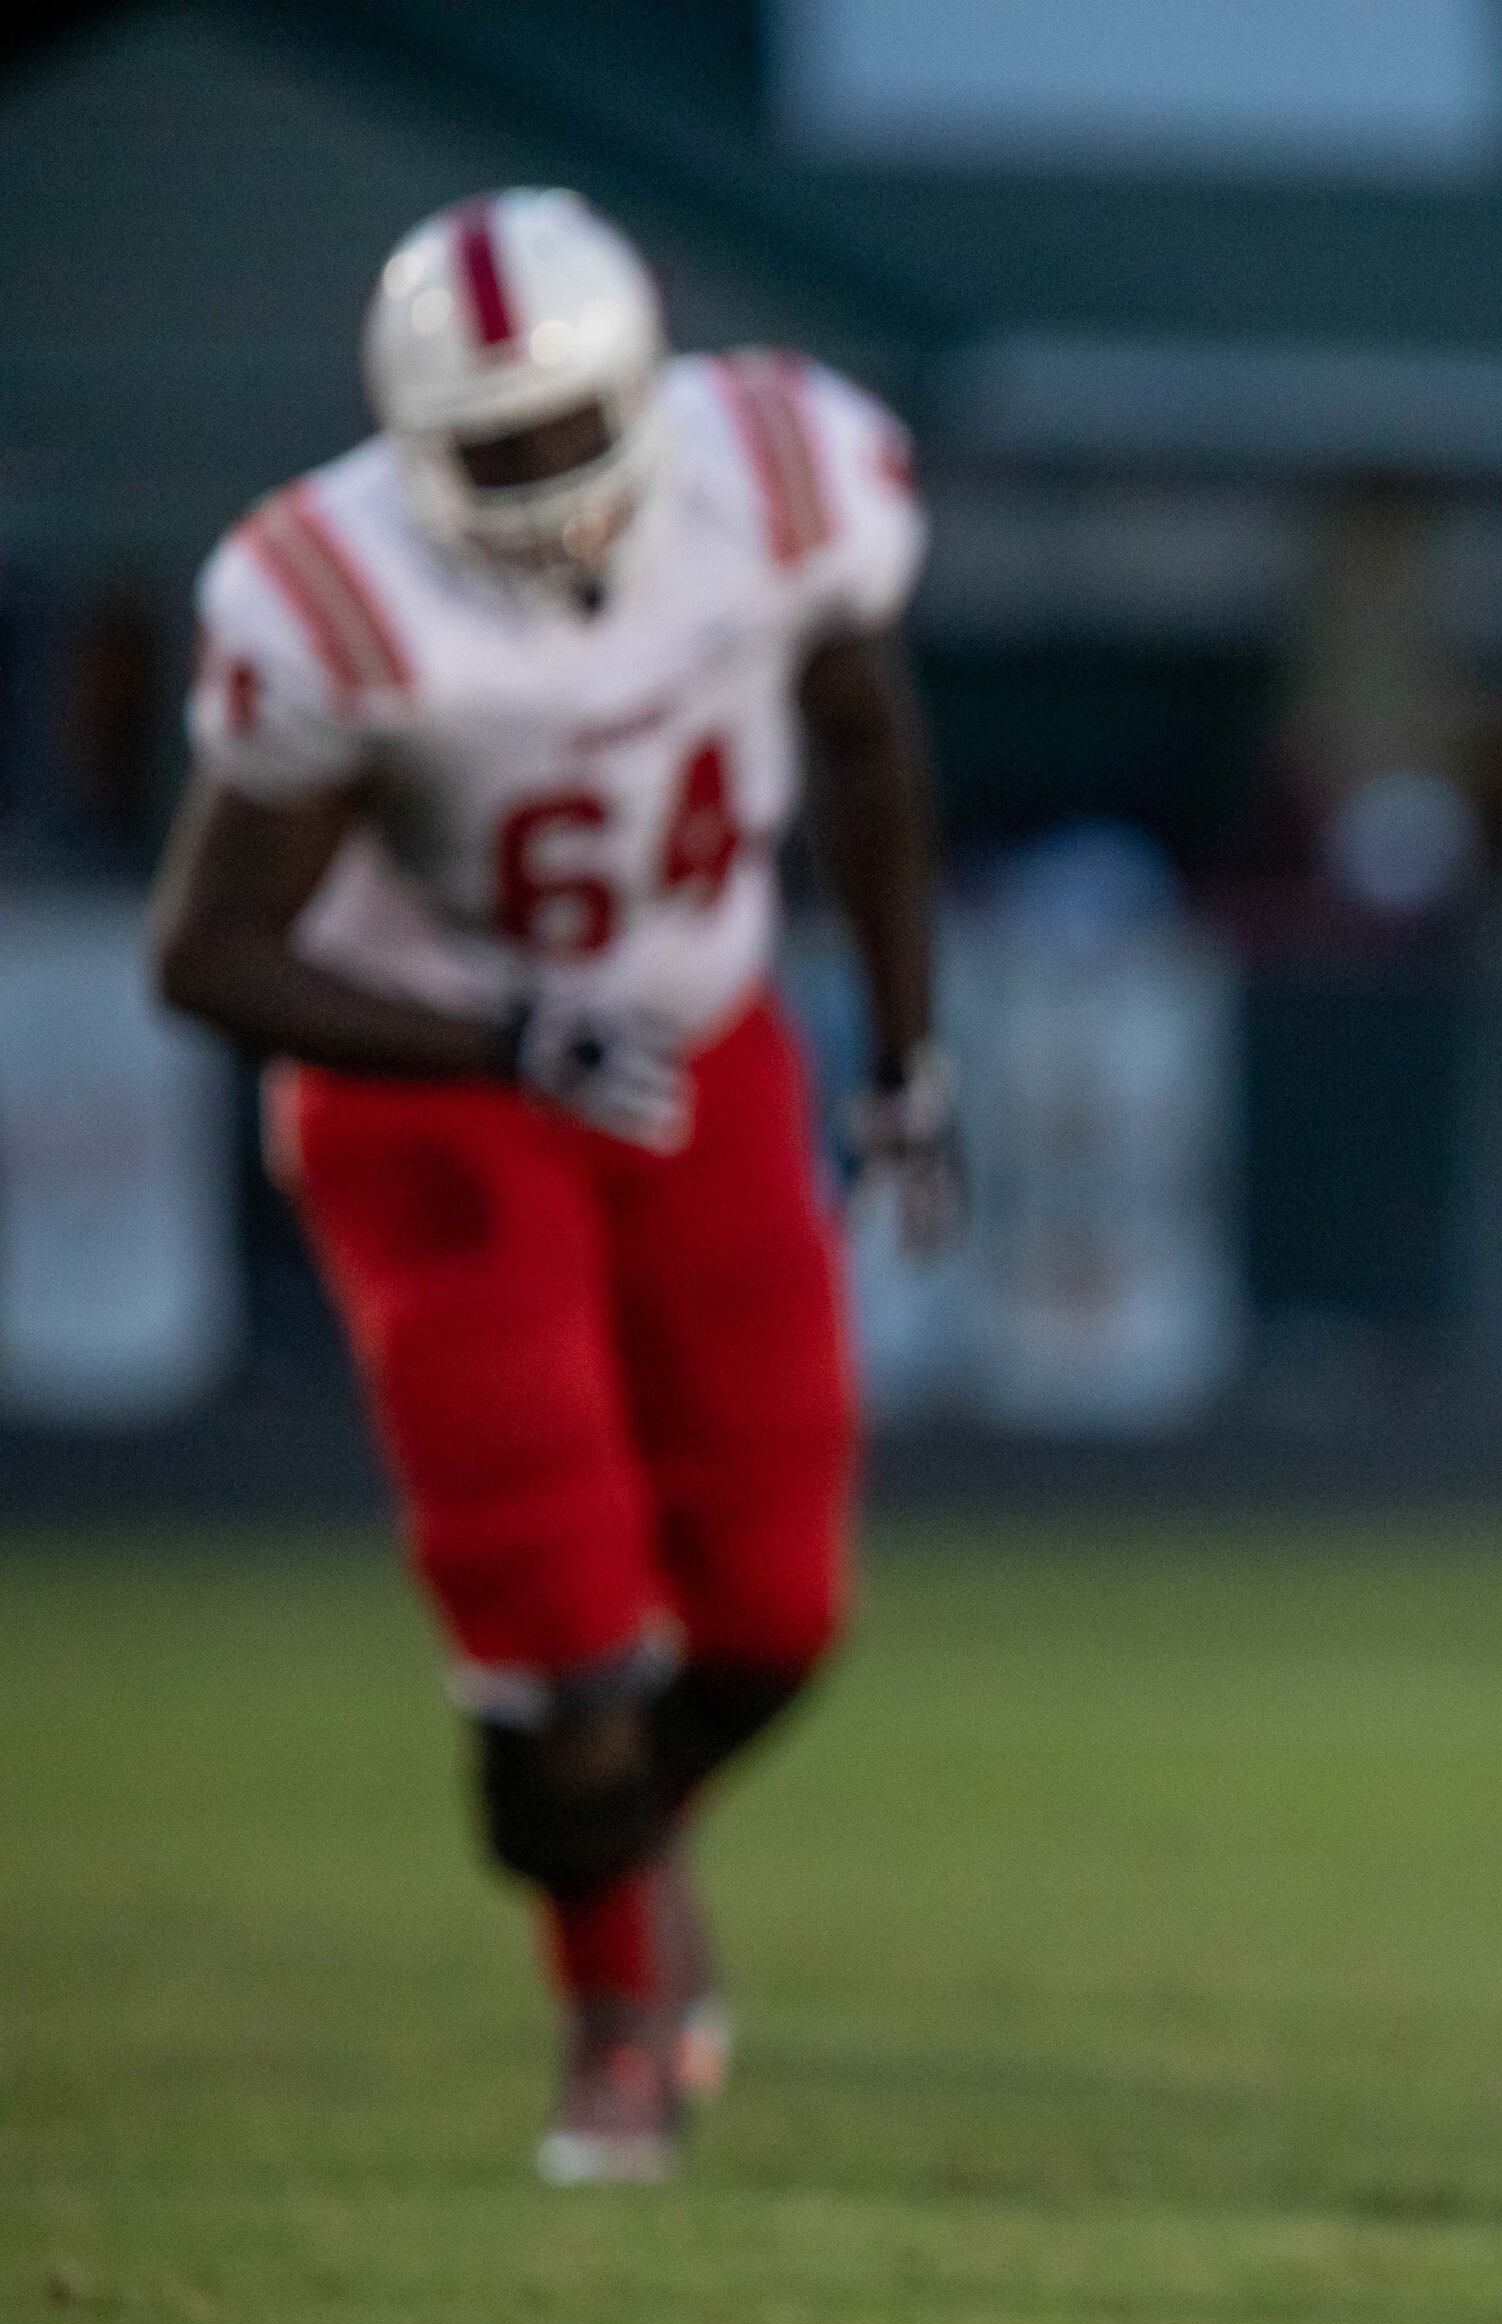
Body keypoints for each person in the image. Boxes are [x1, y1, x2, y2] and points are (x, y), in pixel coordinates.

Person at [150, 189, 953, 2184]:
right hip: (433, 1089)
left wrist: (913, 1048)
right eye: (486, 452)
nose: (536, 488)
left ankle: (593, 1819)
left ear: (647, 389)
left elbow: (866, 751)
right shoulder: (329, 593)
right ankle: (614, 2013)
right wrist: (505, 1042)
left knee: (775, 1604)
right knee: (564, 1617)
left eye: (562, 433)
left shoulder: (781, 475)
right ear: (411, 439)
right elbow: (206, 948)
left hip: (700, 1047)